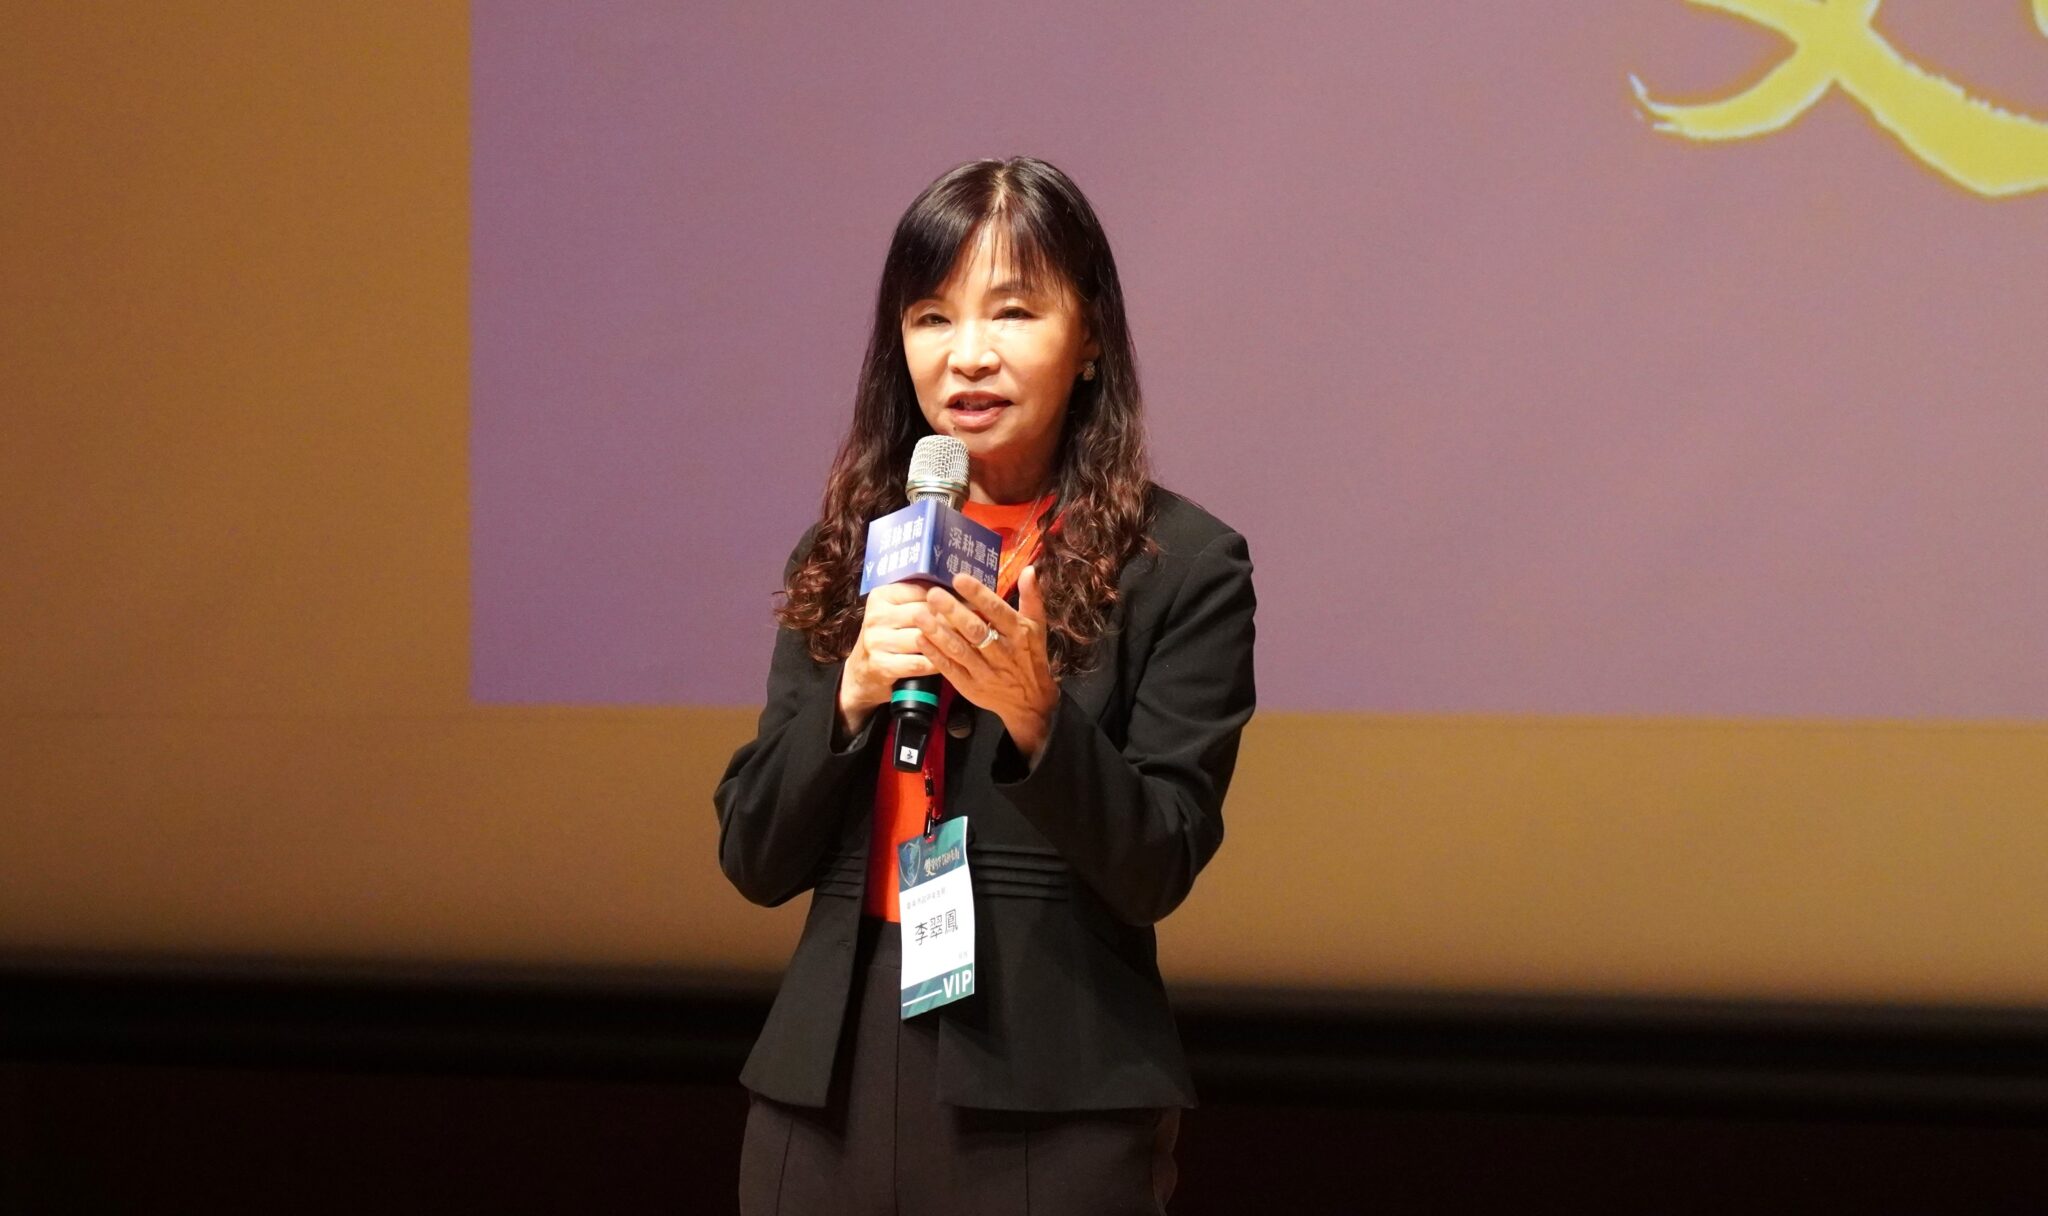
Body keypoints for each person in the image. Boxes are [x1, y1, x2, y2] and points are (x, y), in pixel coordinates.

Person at [714, 155, 1257, 1215]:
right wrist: (851, 696)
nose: (967, 353)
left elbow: (1158, 863)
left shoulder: (1182, 565)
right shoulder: (849, 553)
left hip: (1051, 1085)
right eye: (931, 317)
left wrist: (1039, 717)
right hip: (829, 1080)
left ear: (1090, 338)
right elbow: (753, 855)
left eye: (1011, 311)